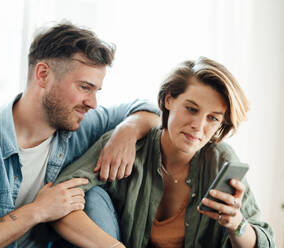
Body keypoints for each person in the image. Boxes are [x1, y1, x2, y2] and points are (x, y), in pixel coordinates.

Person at [0, 23, 161, 247]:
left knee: (93, 194)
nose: (93, 103)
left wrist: (126, 132)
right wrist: (38, 210)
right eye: (84, 87)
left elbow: (149, 110)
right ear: (43, 74)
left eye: (97, 90)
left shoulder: (81, 123)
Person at [53, 57, 275, 248]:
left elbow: (264, 240)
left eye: (213, 118)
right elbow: (58, 196)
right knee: (90, 194)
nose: (198, 126)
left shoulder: (221, 160)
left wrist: (236, 223)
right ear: (169, 100)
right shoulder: (128, 144)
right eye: (191, 109)